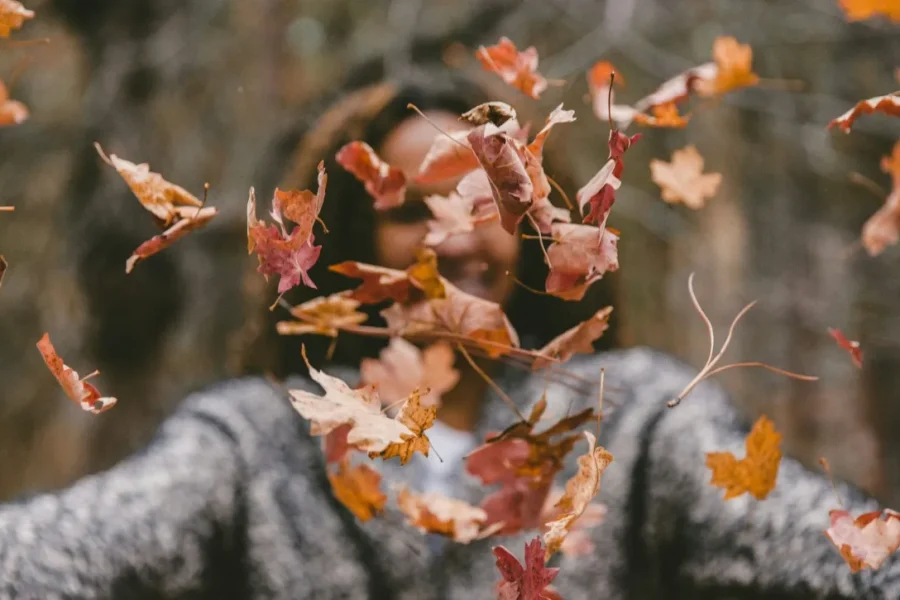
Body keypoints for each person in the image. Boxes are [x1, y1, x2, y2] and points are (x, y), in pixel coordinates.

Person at [0, 58, 897, 600]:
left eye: (478, 201)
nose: (448, 236)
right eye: (408, 211)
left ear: (528, 223)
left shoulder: (629, 422)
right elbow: (73, 544)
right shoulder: (257, 442)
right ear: (350, 243)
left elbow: (822, 547)